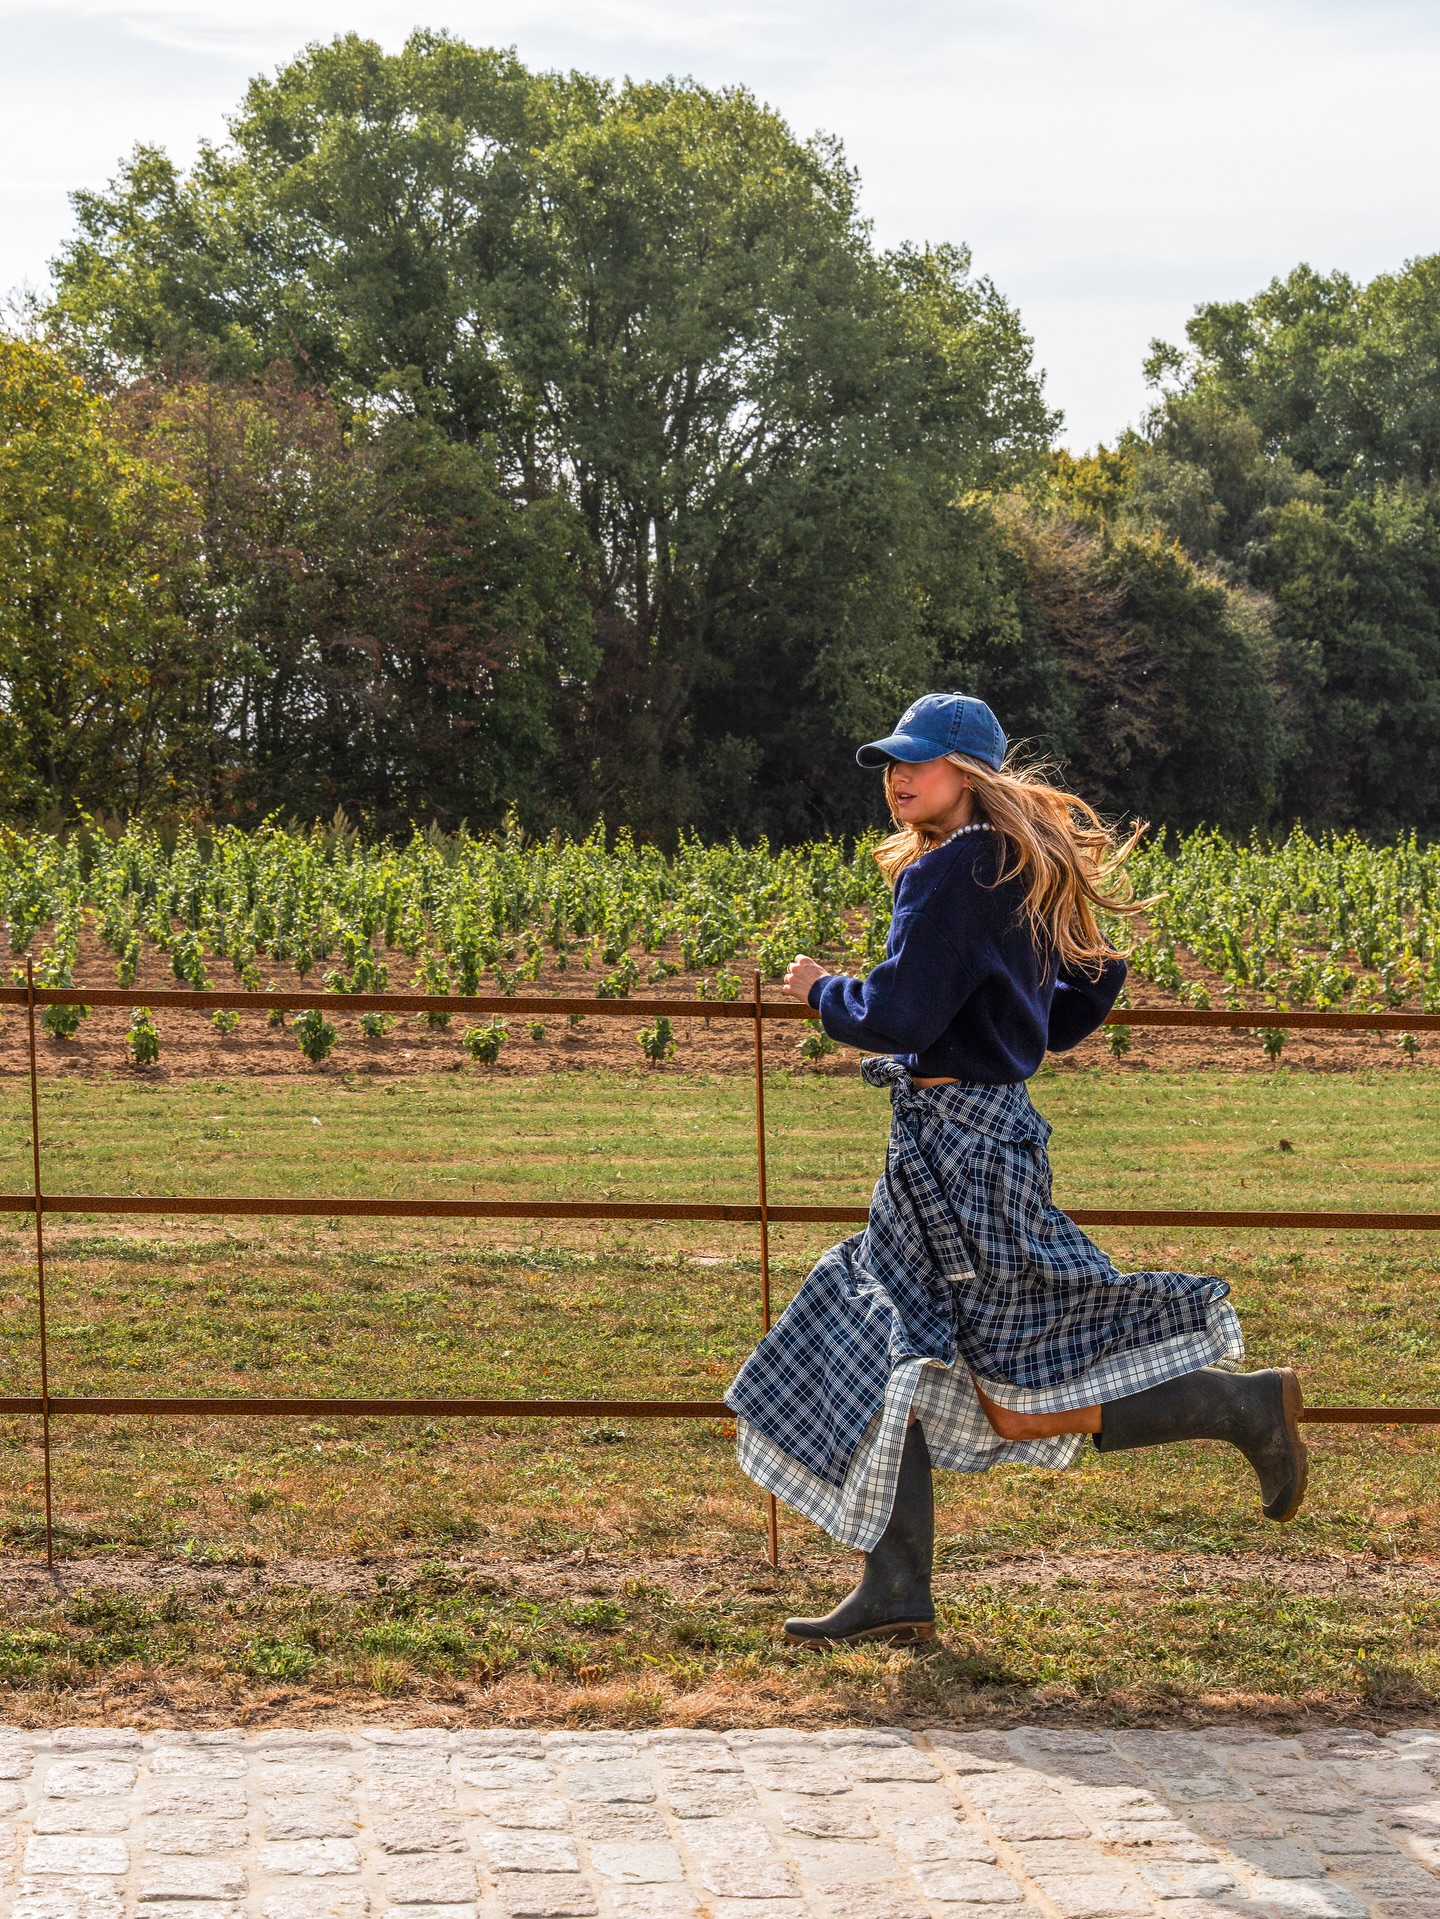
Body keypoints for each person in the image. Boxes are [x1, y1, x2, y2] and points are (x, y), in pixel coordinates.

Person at [725, 692, 1307, 1647]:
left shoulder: (955, 874)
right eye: (889, 763)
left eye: (916, 760)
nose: (895, 776)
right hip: (976, 1134)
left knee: (1022, 1360)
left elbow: (901, 1017)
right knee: (895, 1341)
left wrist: (821, 991)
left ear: (973, 772)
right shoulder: (1016, 867)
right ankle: (897, 1583)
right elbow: (1080, 1002)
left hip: (954, 1146)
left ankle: (1243, 1406)